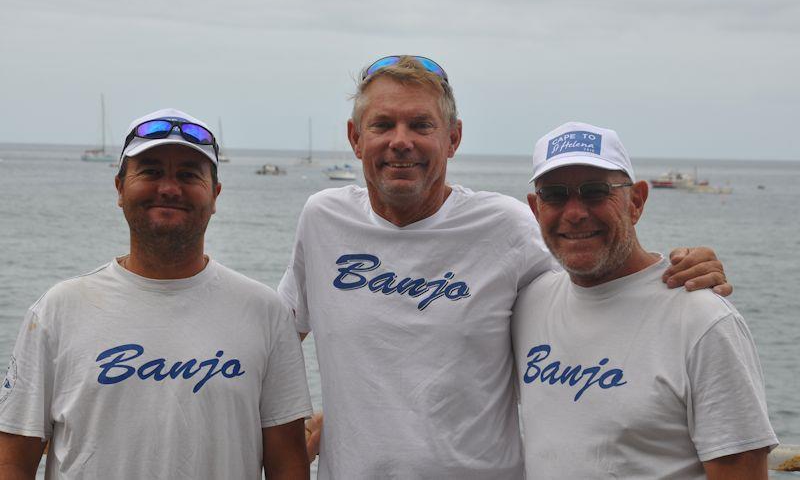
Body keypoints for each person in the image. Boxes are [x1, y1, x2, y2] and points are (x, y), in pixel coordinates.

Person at [279, 55, 731, 478]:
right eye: (383, 124)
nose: (401, 141)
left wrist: (673, 275)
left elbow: (593, 289)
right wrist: (296, 424)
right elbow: (273, 341)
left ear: (452, 138)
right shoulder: (323, 220)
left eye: (421, 124)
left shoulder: (507, 227)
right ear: (355, 138)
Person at [0, 108, 313, 479]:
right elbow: (13, 460)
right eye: (150, 171)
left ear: (214, 195)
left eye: (187, 174)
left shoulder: (265, 313)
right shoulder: (57, 310)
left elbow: (288, 464)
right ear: (120, 188)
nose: (168, 188)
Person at [514, 121, 777, 479]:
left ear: (635, 201)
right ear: (535, 209)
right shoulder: (528, 303)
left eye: (594, 192)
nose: (574, 212)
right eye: (555, 195)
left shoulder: (702, 320)